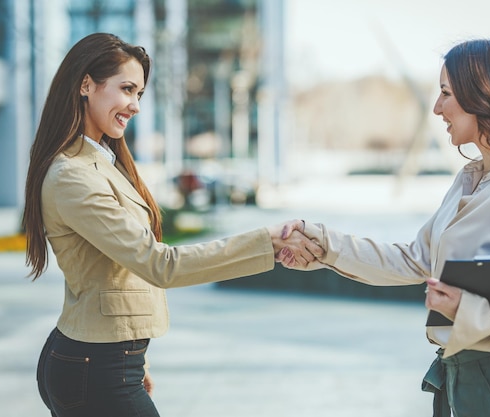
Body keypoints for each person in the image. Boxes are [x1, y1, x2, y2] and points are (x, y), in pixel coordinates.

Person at [22, 32, 321, 417]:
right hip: (95, 367)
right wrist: (267, 242)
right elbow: (159, 265)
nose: (135, 105)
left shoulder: (99, 162)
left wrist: (134, 359)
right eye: (126, 89)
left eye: (140, 94)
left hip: (103, 360)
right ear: (86, 85)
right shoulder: (73, 176)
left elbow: (103, 271)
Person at [278, 37, 490, 417]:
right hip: (466, 383)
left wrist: (469, 310)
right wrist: (323, 244)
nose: (437, 108)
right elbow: (412, 260)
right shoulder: (468, 182)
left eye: (446, 93)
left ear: (484, 97)